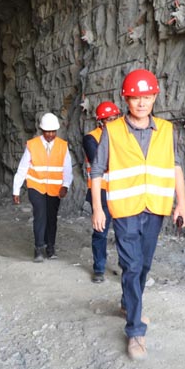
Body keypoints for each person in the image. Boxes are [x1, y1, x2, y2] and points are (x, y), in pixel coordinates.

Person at [90, 69, 185, 361]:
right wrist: (97, 208)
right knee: (132, 266)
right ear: (126, 100)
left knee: (143, 265)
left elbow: (175, 166)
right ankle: (135, 330)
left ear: (155, 96)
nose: (142, 102)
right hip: (125, 210)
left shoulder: (167, 130)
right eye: (136, 98)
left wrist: (182, 204)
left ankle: (127, 302)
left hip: (155, 207)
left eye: (147, 96)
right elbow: (97, 170)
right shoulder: (112, 131)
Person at [13, 113, 73, 262]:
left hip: (54, 188)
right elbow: (22, 168)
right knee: (40, 215)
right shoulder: (32, 145)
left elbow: (67, 168)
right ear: (41, 130)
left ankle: (50, 247)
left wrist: (65, 185)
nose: (50, 135)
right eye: (47, 132)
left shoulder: (62, 146)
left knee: (51, 218)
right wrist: (16, 190)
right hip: (36, 186)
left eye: (53, 131)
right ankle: (39, 248)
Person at [83, 101, 121, 283]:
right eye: (109, 120)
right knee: (101, 232)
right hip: (101, 192)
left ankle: (127, 267)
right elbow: (99, 162)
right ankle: (99, 269)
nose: (113, 122)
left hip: (122, 190)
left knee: (125, 232)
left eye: (115, 119)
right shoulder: (91, 138)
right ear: (100, 122)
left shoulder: (124, 137)